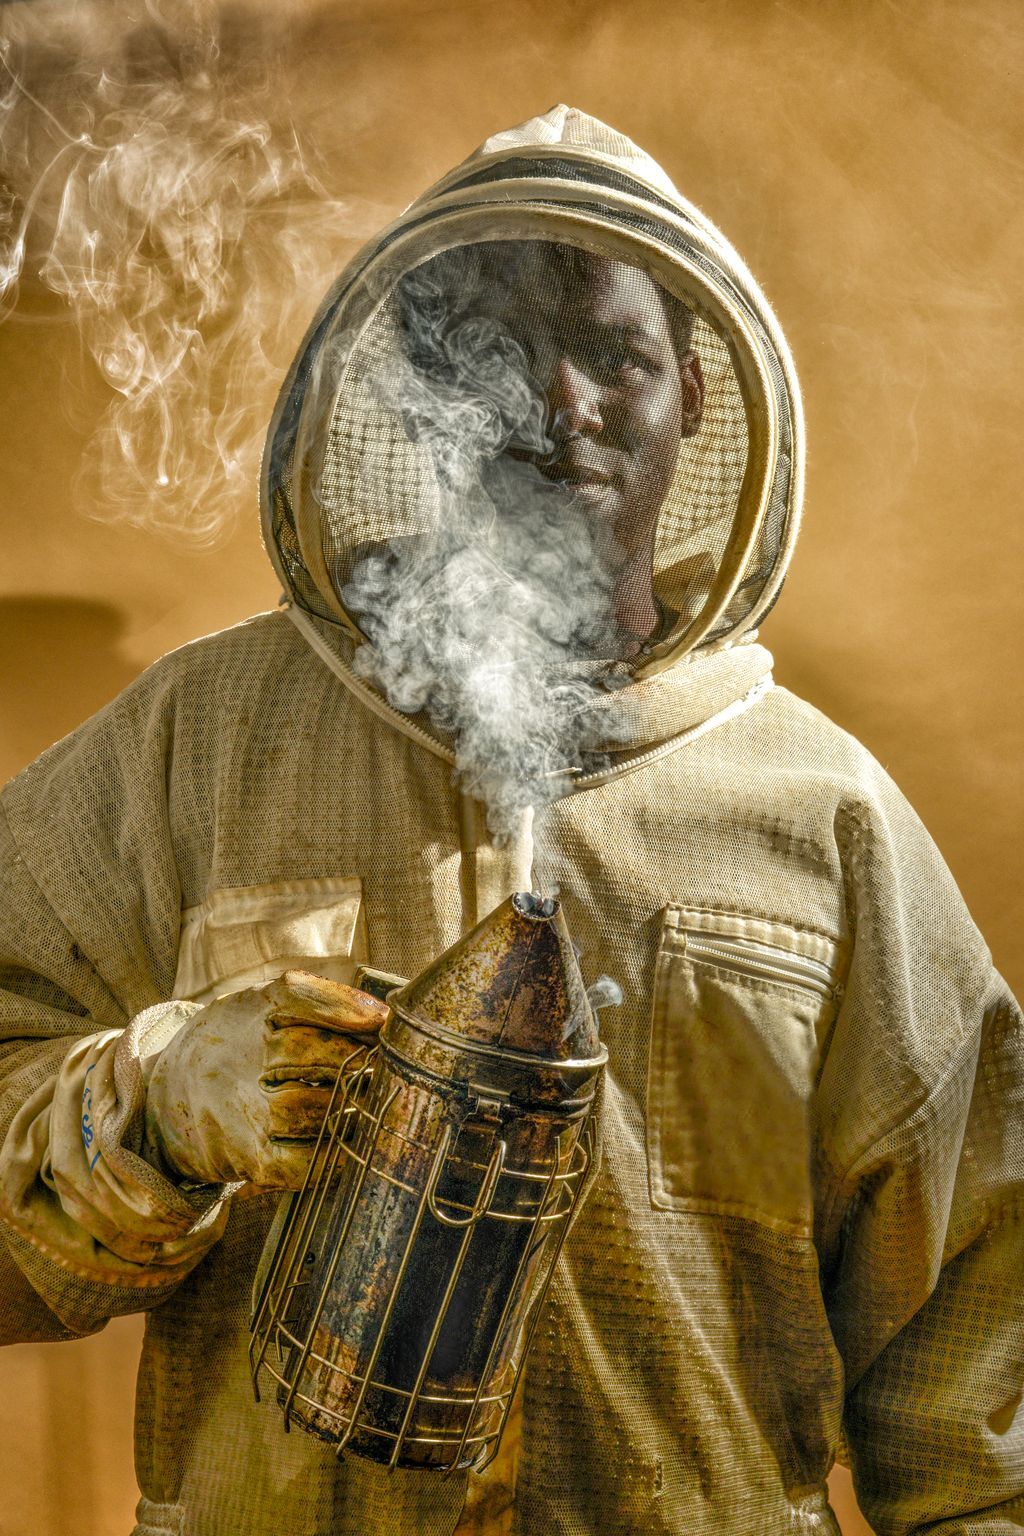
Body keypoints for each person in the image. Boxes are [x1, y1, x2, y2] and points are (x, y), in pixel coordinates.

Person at [0, 104, 1020, 1536]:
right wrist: (156, 1102)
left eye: (616, 352)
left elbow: (981, 1368)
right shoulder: (200, 743)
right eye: (492, 347)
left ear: (696, 395)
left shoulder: (824, 814)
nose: (560, 401)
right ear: (420, 382)